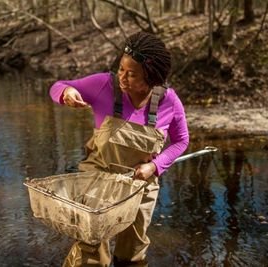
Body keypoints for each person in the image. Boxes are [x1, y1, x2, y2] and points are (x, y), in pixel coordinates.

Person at [49, 31, 189, 267]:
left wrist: (154, 166)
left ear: (152, 78)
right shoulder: (104, 84)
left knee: (132, 253)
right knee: (91, 247)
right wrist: (67, 93)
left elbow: (181, 141)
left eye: (132, 74)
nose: (122, 77)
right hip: (97, 179)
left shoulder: (169, 101)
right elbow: (58, 86)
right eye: (121, 69)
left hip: (140, 184)